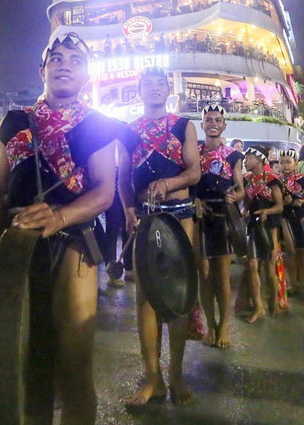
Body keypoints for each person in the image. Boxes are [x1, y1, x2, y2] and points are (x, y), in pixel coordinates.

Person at [0, 32, 120, 425]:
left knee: (74, 365)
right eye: (57, 58)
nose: (65, 65)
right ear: (43, 70)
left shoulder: (97, 125)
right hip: (17, 245)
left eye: (75, 59)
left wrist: (58, 218)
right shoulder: (15, 122)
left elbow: (105, 192)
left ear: (87, 75)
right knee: (28, 364)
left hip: (73, 244)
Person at [119, 66, 201, 407]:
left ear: (169, 90)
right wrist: (127, 209)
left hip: (179, 216)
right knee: (146, 298)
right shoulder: (127, 130)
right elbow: (123, 176)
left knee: (179, 297)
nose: (154, 88)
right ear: (138, 90)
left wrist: (168, 185)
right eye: (148, 83)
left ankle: (177, 374)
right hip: (145, 217)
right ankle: (153, 378)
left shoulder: (183, 126)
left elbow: (194, 171)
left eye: (160, 83)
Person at [196, 103, 244, 348]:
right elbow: (189, 181)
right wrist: (195, 200)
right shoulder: (194, 151)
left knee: (222, 275)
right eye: (208, 119)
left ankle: (224, 325)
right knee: (204, 274)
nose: (213, 123)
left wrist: (236, 196)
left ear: (224, 125)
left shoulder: (233, 155)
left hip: (223, 215)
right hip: (199, 216)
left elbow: (240, 188)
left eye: (217, 119)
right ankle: (210, 323)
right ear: (202, 124)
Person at [241, 146, 285, 322]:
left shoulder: (272, 179)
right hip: (254, 224)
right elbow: (246, 203)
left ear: (259, 160)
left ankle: (273, 302)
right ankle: (258, 307)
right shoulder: (248, 180)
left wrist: (267, 212)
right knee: (252, 264)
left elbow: (280, 206)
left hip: (270, 226)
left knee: (269, 265)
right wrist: (244, 212)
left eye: (249, 158)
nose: (246, 161)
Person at [279, 148, 304, 293]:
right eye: (282, 162)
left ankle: (303, 281)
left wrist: (299, 201)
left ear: (295, 164)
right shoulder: (276, 181)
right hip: (285, 217)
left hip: (301, 215)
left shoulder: (302, 180)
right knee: (290, 250)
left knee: (302, 249)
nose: (285, 165)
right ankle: (293, 284)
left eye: (288, 162)